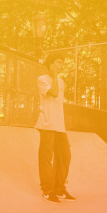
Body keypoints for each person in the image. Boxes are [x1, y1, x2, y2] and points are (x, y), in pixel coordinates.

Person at [35, 52, 76, 204]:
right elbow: (52, 93)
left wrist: (56, 77)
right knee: (46, 157)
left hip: (59, 124)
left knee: (65, 155)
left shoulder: (61, 81)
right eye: (58, 62)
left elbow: (58, 99)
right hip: (46, 123)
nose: (61, 65)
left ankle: (59, 189)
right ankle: (47, 190)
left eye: (62, 63)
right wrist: (53, 75)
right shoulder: (41, 79)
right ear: (51, 64)